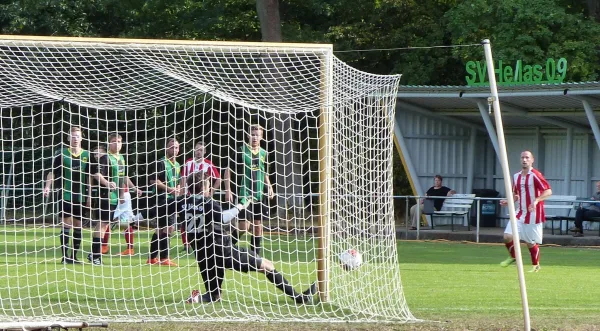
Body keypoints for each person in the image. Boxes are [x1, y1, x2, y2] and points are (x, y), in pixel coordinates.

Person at [180, 172, 317, 304]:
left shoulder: (181, 202)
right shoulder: (207, 203)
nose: (210, 188)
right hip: (222, 250)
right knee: (267, 265)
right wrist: (241, 206)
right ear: (203, 187)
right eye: (208, 185)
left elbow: (162, 209)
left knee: (214, 295)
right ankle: (299, 298)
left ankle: (196, 298)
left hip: (203, 255)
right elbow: (223, 218)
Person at [89, 133, 142, 265]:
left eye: (119, 141)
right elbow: (97, 175)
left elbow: (122, 177)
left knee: (110, 224)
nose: (116, 144)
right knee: (102, 224)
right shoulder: (106, 158)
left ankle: (94, 253)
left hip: (116, 198)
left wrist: (132, 189)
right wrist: (107, 183)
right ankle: (96, 255)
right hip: (105, 196)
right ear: (109, 143)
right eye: (113, 141)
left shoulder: (121, 158)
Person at [224, 124, 275, 256]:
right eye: (252, 134)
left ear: (262, 137)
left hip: (259, 194)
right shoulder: (240, 151)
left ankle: (255, 256)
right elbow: (228, 171)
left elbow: (264, 173)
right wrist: (228, 189)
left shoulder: (264, 153)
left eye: (257, 135)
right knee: (243, 227)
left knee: (258, 228)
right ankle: (224, 247)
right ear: (248, 135)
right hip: (244, 194)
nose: (255, 137)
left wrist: (269, 186)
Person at [43, 126, 90, 264]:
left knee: (78, 226)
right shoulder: (61, 154)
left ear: (81, 138)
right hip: (65, 195)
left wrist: (89, 196)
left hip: (81, 196)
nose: (75, 139)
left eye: (77, 136)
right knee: (66, 225)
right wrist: (47, 187)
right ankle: (65, 257)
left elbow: (90, 177)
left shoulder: (87, 155)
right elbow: (52, 172)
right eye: (73, 136)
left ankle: (74, 257)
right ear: (68, 138)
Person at [500, 150, 552, 273]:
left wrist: (536, 200)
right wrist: (509, 201)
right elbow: (516, 195)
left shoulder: (535, 175)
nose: (524, 160)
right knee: (507, 236)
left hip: (533, 214)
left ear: (532, 160)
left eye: (527, 158)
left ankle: (536, 265)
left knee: (530, 242)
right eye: (522, 157)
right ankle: (513, 256)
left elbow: (548, 191)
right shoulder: (516, 176)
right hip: (520, 212)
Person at [178, 141, 221, 252]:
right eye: (197, 149)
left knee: (204, 220)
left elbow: (218, 179)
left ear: (205, 151)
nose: (198, 152)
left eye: (201, 150)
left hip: (203, 199)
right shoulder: (188, 163)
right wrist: (182, 194)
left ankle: (205, 242)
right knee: (185, 219)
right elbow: (183, 179)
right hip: (189, 196)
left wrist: (210, 193)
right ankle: (186, 244)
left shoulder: (208, 164)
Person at [146, 137, 182, 266]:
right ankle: (164, 258)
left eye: (176, 147)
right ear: (166, 148)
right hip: (161, 198)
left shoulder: (177, 165)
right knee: (168, 227)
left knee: (161, 229)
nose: (174, 149)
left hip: (172, 199)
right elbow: (153, 181)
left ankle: (152, 257)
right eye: (172, 146)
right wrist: (170, 190)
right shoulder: (161, 163)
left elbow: (177, 181)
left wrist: (177, 188)